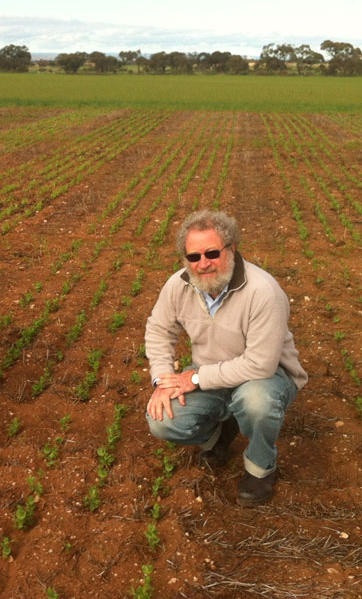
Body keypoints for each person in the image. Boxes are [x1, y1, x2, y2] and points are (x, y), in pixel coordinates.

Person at [144, 210, 307, 506]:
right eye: (194, 257)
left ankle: (260, 468)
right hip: (211, 374)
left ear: (231, 248)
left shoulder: (263, 291)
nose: (203, 264)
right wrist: (163, 380)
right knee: (162, 420)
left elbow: (260, 363)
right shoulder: (178, 285)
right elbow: (158, 331)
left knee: (256, 402)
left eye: (212, 253)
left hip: (267, 377)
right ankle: (221, 431)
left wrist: (194, 378)